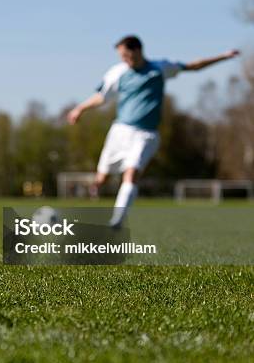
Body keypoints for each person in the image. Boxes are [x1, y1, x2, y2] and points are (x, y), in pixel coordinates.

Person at [67, 35, 239, 228]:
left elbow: (193, 66)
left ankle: (117, 220)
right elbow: (101, 97)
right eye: (121, 57)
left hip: (145, 134)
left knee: (131, 173)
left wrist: (223, 56)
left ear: (137, 51)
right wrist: (80, 108)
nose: (124, 60)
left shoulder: (160, 68)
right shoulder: (118, 73)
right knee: (102, 178)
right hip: (120, 131)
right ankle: (91, 193)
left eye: (126, 55)